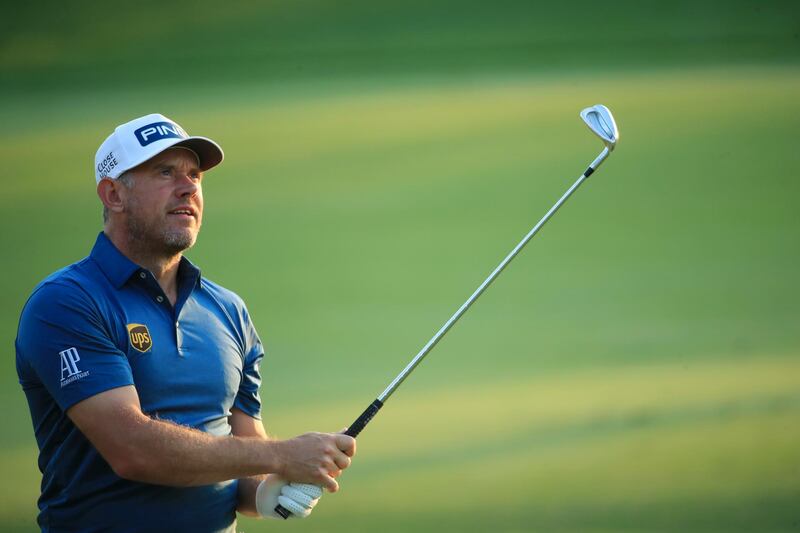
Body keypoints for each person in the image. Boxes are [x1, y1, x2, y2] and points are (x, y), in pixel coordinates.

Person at [15, 113, 356, 532]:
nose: (188, 186)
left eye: (195, 174)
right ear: (114, 194)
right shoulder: (67, 302)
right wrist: (283, 455)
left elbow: (245, 467)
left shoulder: (228, 310)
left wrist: (276, 490)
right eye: (165, 172)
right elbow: (132, 450)